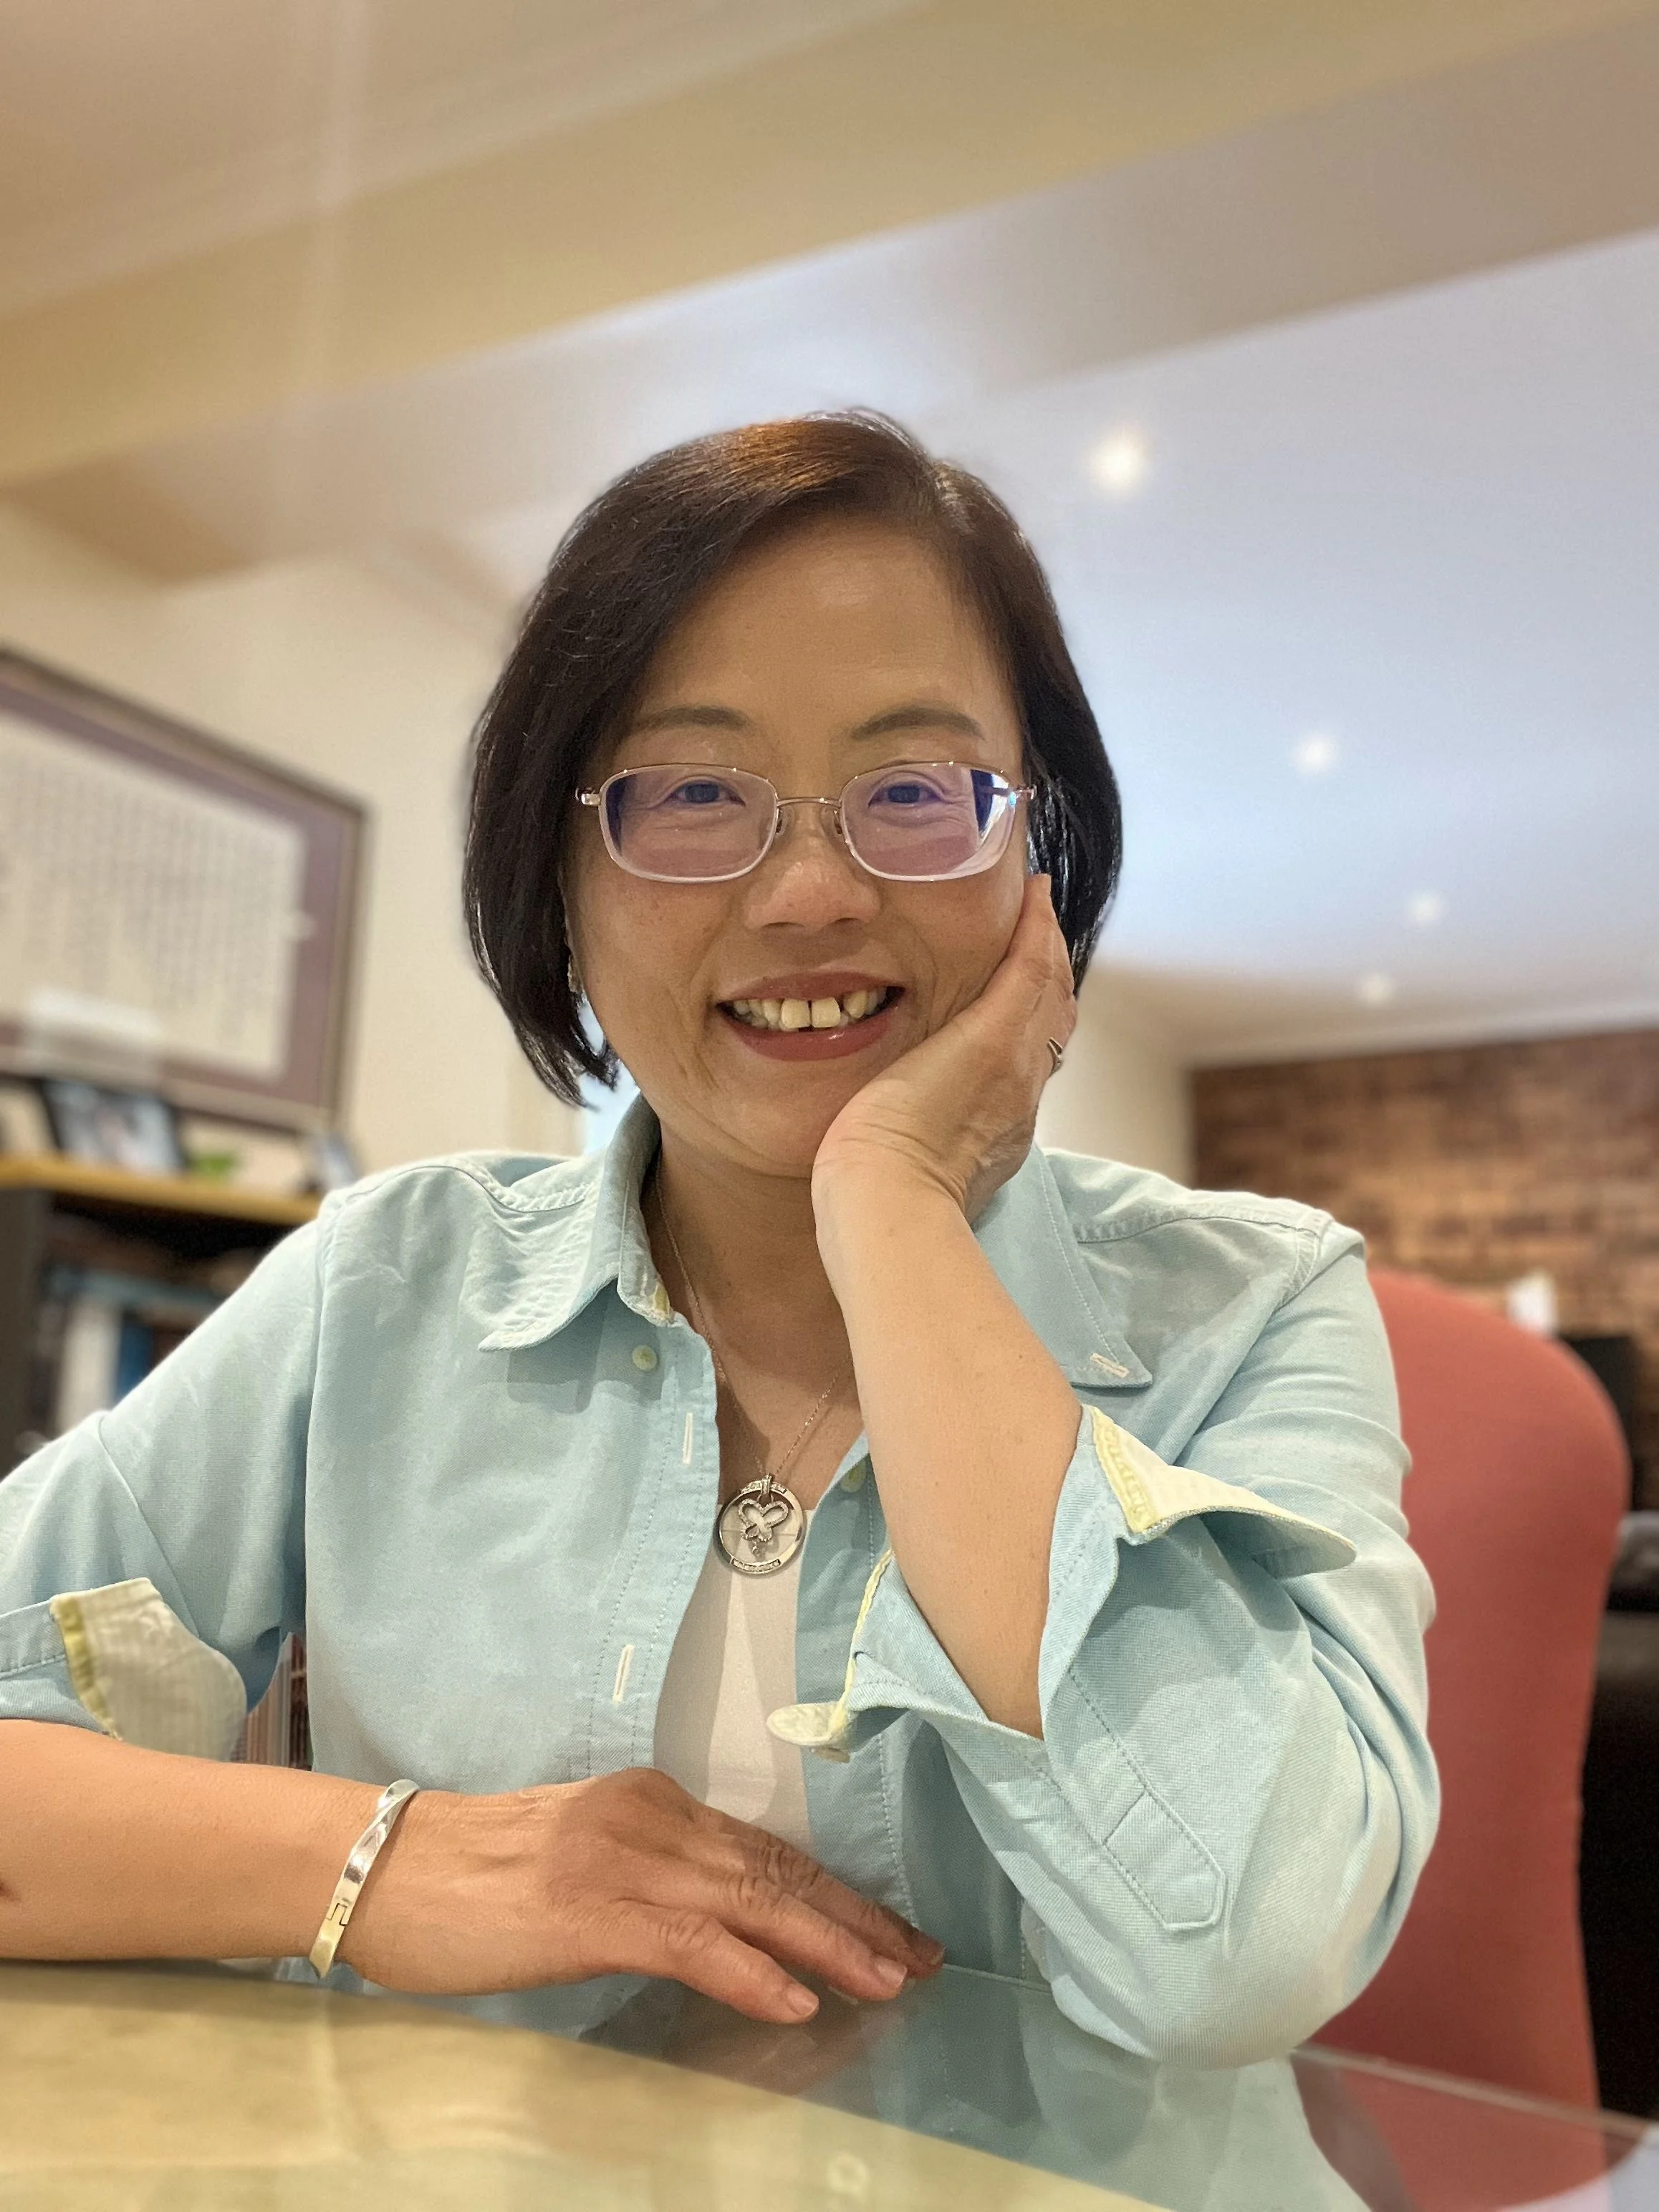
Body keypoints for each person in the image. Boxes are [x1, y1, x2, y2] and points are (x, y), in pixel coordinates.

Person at [0, 414, 1436, 2063]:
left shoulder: (1253, 1307)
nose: (811, 890)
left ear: (1036, 851)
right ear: (559, 880)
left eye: (913, 790)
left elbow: (1242, 1955)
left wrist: (892, 1201)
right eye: (691, 793)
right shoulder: (385, 1287)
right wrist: (390, 1860)